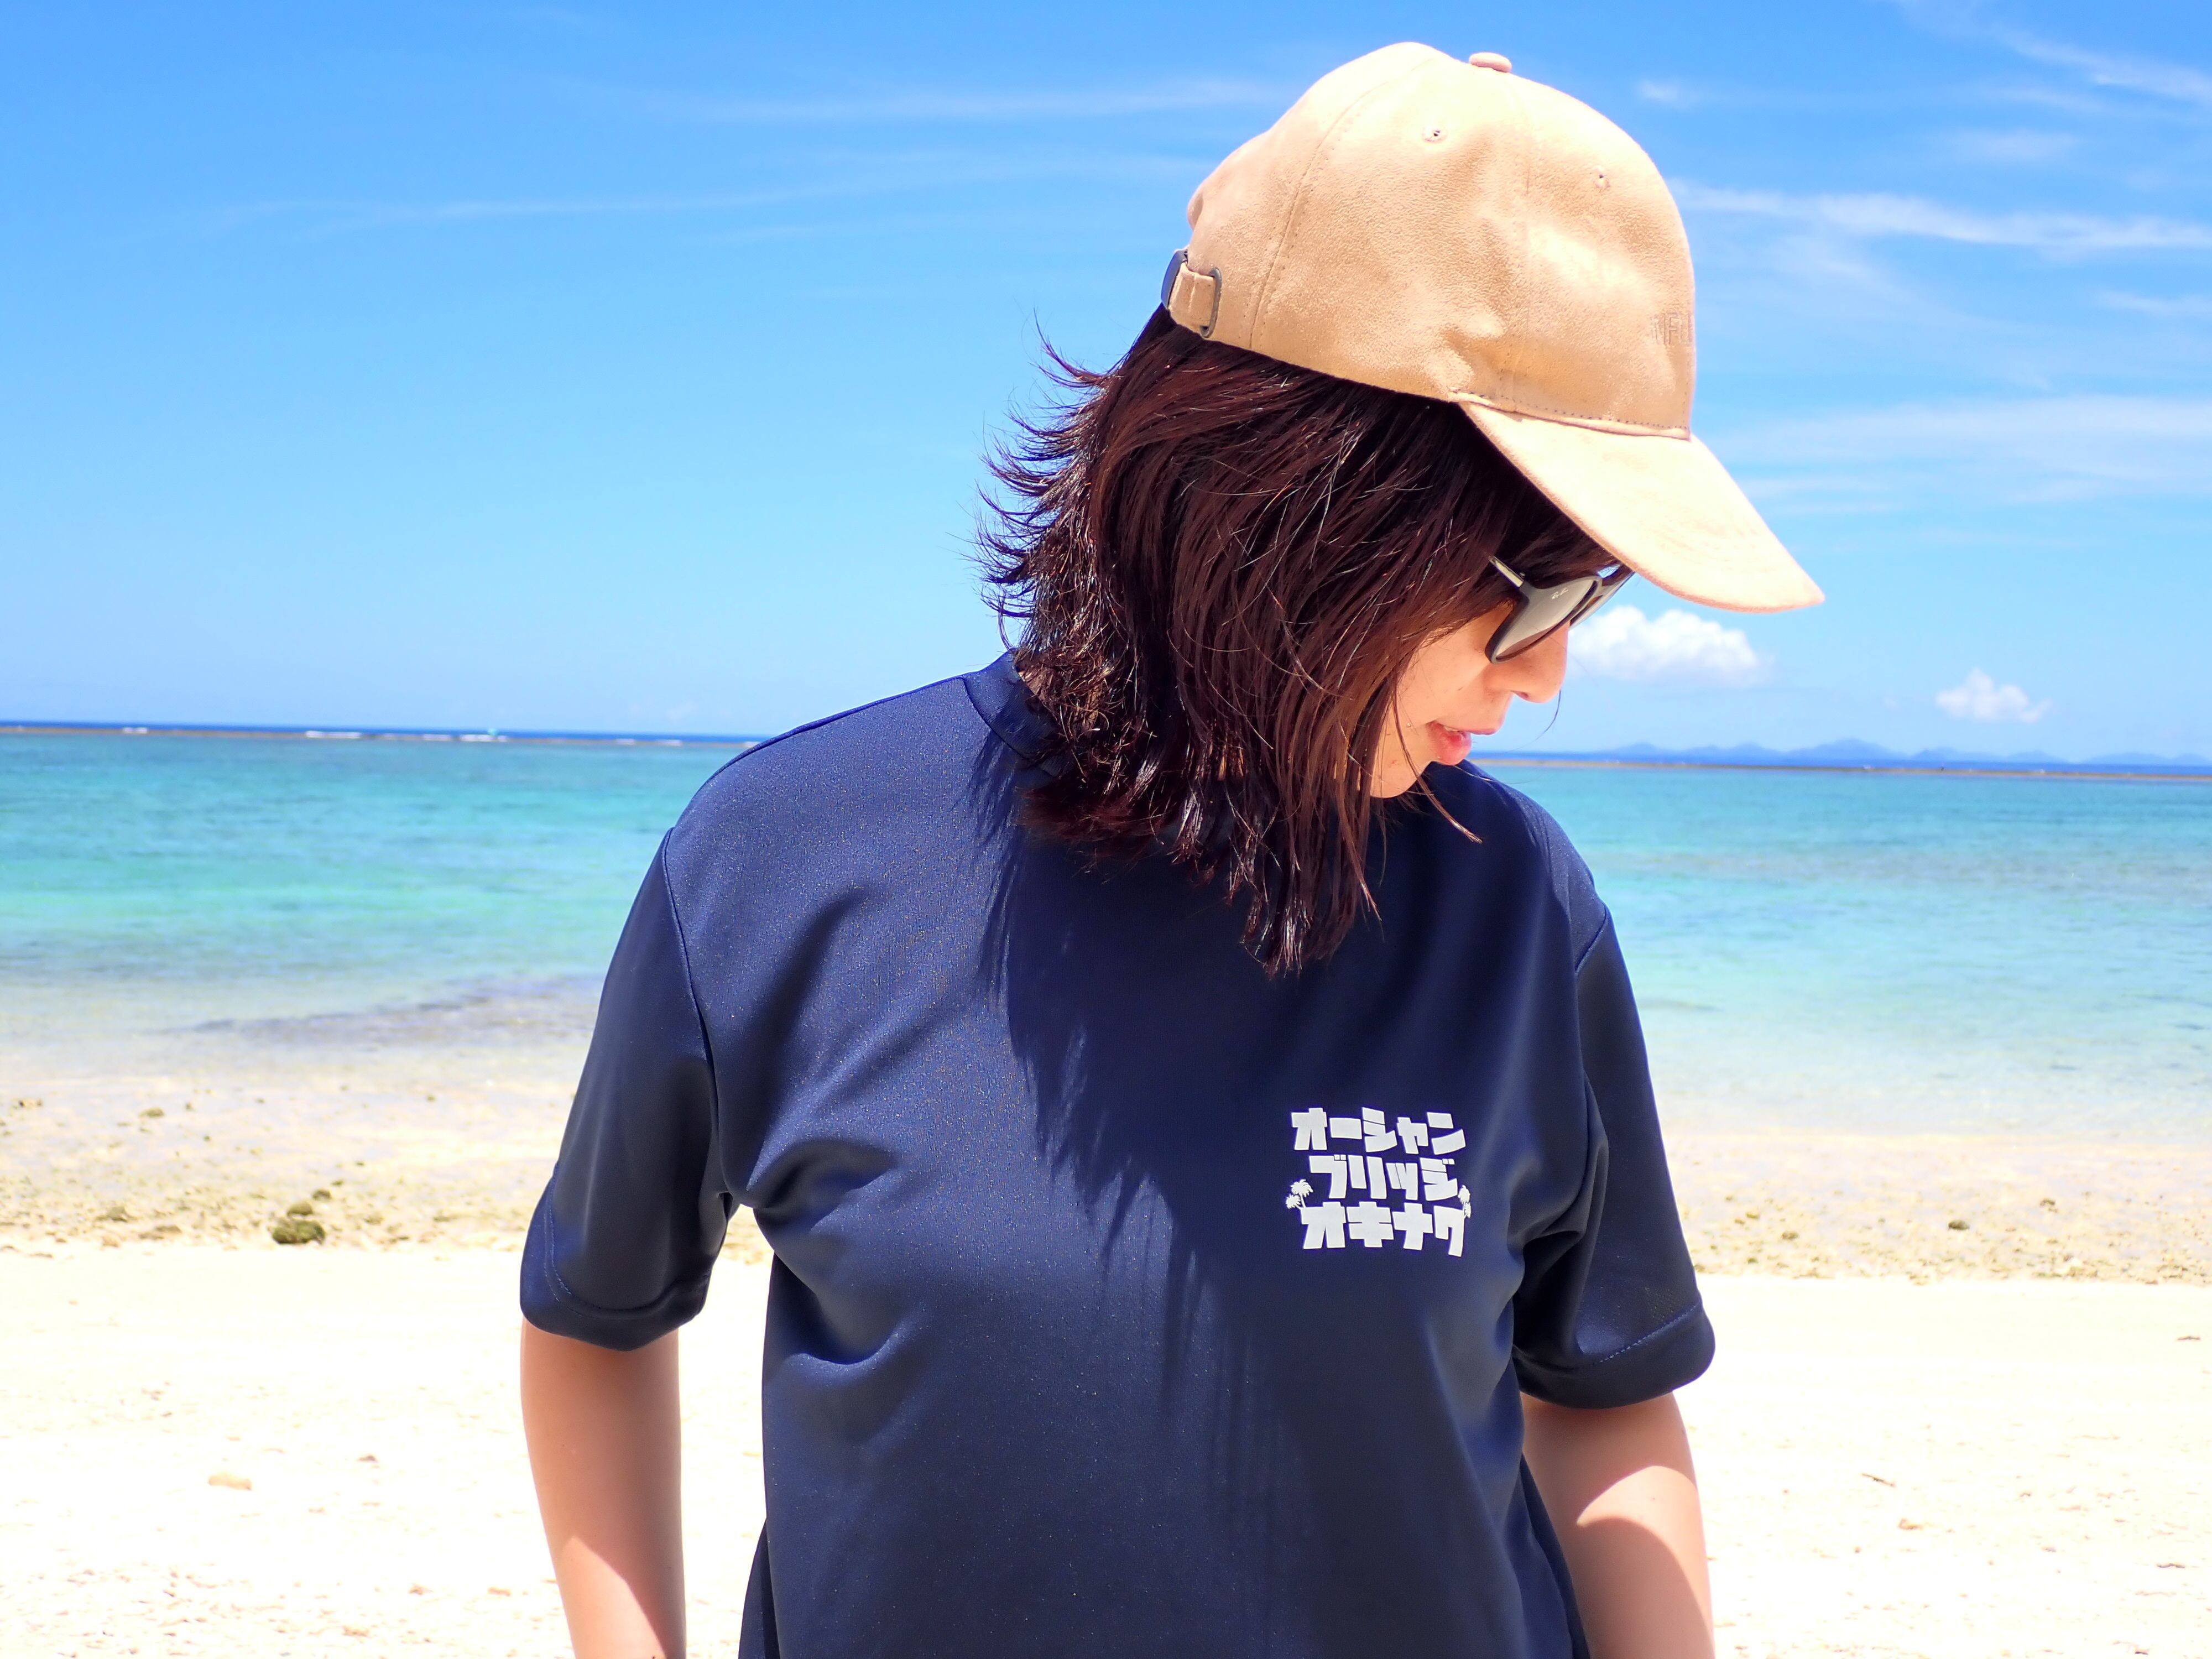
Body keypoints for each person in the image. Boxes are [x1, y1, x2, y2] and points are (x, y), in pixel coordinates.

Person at [518, 41, 1821, 1659]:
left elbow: (1605, 1398)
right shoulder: (778, 861)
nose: (1550, 670)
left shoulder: (1513, 908)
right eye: (1533, 585)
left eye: (1594, 594)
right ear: (1303, 499)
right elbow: (597, 1318)